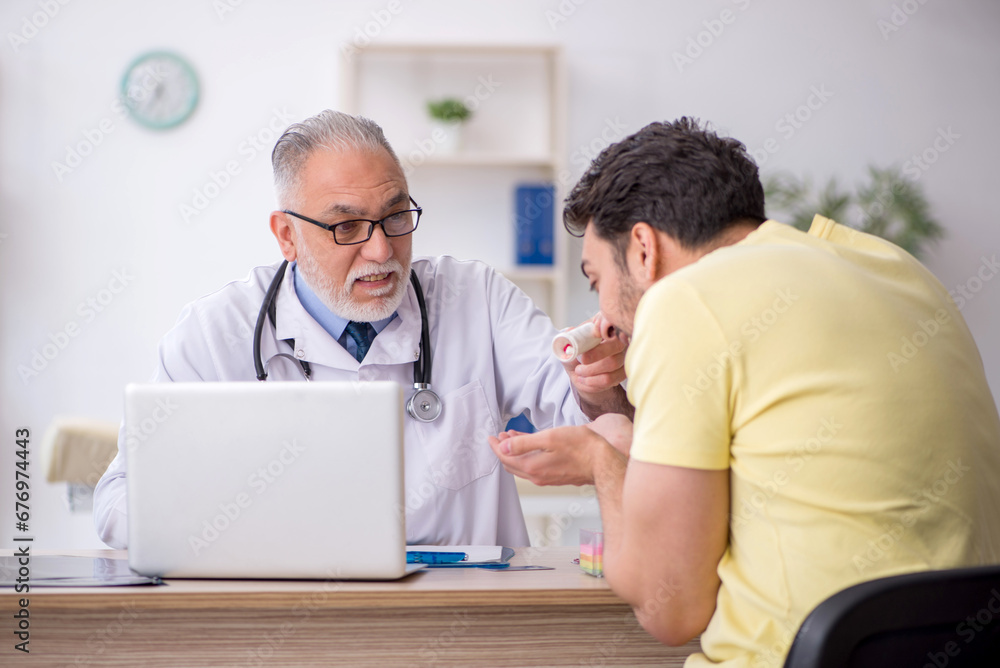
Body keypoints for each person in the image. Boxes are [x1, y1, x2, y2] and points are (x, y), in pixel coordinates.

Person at [489, 118, 1000, 667]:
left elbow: (671, 610)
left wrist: (602, 463)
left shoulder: (687, 301)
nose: (605, 315)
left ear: (643, 248)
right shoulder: (898, 268)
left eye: (596, 280)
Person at [94, 110, 630, 550]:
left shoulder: (476, 299)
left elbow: (607, 430)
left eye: (396, 217)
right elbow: (119, 504)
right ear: (286, 235)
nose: (381, 250)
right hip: (291, 624)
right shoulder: (214, 335)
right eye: (346, 226)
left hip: (465, 621)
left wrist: (594, 386)